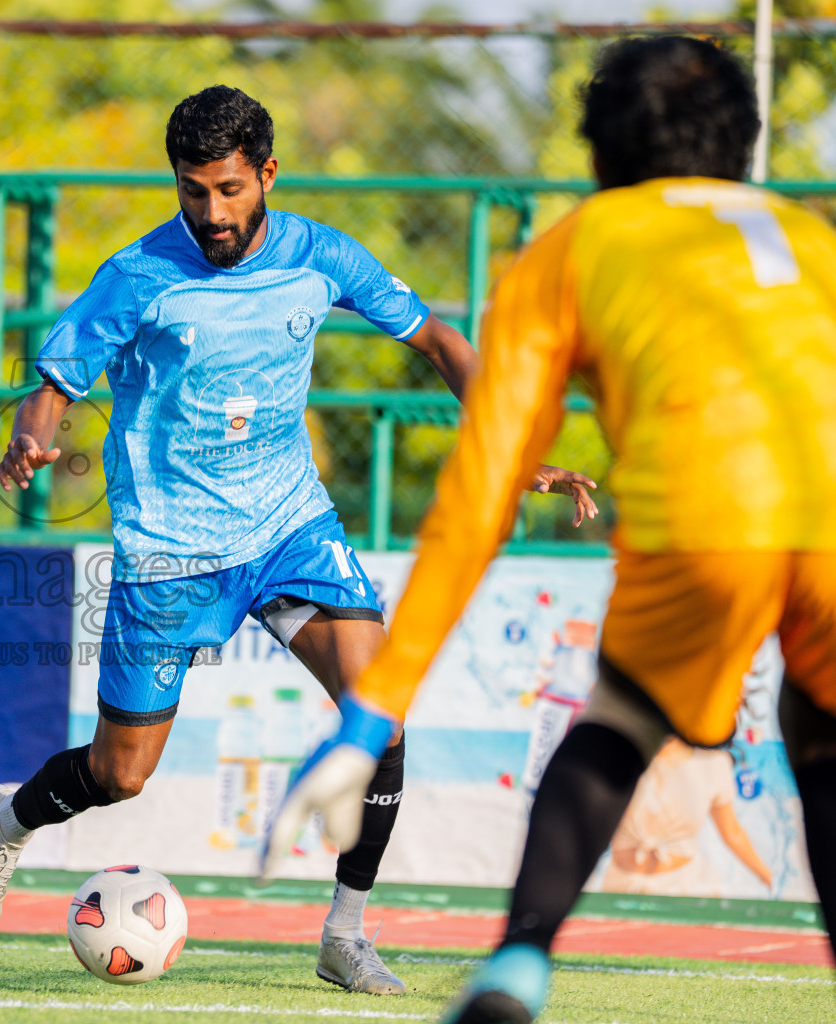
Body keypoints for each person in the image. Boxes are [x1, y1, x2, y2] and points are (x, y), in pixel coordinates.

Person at [0, 86, 595, 996]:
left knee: (382, 711)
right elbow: (54, 382)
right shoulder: (139, 274)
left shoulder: (320, 255)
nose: (212, 212)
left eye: (229, 189)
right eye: (193, 191)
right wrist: (31, 436)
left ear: (267, 175)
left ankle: (344, 933)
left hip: (288, 525)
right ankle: (3, 820)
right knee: (120, 773)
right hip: (170, 552)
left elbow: (441, 343)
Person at [261, 37, 836, 1024]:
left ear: (599, 154)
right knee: (820, 729)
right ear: (742, 144)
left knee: (622, 718)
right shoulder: (812, 235)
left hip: (709, 522)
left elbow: (481, 493)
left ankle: (518, 965)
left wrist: (372, 709)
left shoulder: (574, 247)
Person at [601, 737, 773, 896]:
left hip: (686, 888)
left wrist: (766, 875)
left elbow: (732, 832)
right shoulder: (618, 755)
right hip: (618, 886)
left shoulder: (712, 762)